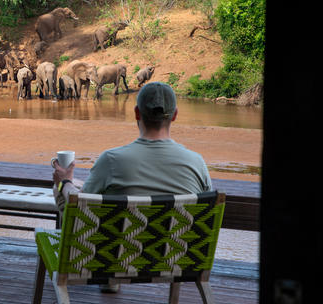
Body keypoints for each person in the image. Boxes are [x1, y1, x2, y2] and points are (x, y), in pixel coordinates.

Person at [51, 82, 212, 293]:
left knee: (66, 189)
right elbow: (206, 212)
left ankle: (110, 276)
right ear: (174, 116)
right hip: (177, 259)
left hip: (112, 258)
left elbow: (80, 209)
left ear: (137, 113)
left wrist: (65, 182)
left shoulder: (111, 160)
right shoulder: (196, 163)